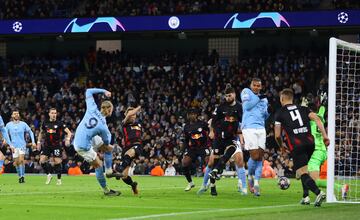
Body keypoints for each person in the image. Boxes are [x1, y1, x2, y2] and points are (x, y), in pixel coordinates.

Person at [274, 88, 330, 207]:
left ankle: (318, 192)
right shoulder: (303, 108)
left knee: (301, 173)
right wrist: (325, 136)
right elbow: (317, 119)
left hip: (297, 145)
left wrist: (281, 147)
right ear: (292, 98)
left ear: (282, 99)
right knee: (304, 170)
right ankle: (305, 197)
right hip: (310, 144)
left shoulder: (279, 113)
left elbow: (277, 135)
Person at [301, 93, 348, 204]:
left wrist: (304, 105)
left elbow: (303, 113)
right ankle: (305, 197)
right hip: (323, 151)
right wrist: (322, 102)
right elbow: (322, 107)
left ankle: (340, 186)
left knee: (312, 181)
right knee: (304, 173)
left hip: (315, 152)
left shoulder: (308, 120)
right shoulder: (320, 116)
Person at [73, 88, 121, 196]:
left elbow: (88, 91)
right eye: (112, 110)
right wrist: (105, 142)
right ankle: (106, 190)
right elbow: (107, 141)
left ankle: (108, 171)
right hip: (82, 145)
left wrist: (104, 91)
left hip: (81, 136)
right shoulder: (103, 127)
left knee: (109, 148)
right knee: (98, 165)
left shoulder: (92, 107)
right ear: (109, 110)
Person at [207, 84, 243, 196]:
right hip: (218, 137)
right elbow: (213, 120)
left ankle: (217, 170)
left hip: (231, 136)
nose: (228, 98)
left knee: (232, 148)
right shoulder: (221, 107)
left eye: (229, 95)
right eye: (226, 96)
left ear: (234, 95)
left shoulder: (239, 107)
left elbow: (243, 121)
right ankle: (213, 186)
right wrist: (212, 131)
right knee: (215, 162)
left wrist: (242, 133)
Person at [240, 78, 269, 196]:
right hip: (249, 127)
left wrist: (268, 113)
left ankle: (256, 182)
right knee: (254, 155)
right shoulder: (246, 92)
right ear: (251, 85)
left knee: (260, 156)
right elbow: (246, 107)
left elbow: (264, 114)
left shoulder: (264, 99)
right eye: (254, 85)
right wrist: (259, 98)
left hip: (261, 127)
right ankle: (250, 177)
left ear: (261, 87)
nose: (256, 87)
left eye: (258, 86)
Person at [37, 108, 72, 185]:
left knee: (57, 161)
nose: (54, 115)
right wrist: (38, 142)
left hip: (56, 145)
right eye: (52, 113)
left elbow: (69, 132)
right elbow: (41, 132)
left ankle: (59, 180)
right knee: (42, 161)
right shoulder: (45, 123)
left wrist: (68, 139)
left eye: (55, 113)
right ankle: (49, 175)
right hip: (47, 145)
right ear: (49, 114)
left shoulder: (60, 123)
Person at [115, 106, 142, 195]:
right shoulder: (124, 123)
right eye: (130, 114)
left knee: (130, 153)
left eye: (134, 114)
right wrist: (139, 107)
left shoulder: (138, 124)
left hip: (136, 145)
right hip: (127, 147)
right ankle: (133, 185)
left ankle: (119, 169)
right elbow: (129, 114)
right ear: (126, 115)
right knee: (124, 176)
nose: (132, 116)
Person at [181, 107, 209, 191]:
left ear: (196, 115)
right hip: (192, 148)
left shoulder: (202, 124)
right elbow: (186, 139)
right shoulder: (186, 127)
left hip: (203, 146)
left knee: (208, 162)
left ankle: (209, 182)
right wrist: (184, 149)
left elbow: (210, 131)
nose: (191, 116)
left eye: (193, 114)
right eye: (190, 114)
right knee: (184, 163)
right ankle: (190, 183)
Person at [6, 110, 36, 183]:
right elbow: (6, 135)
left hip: (22, 145)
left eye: (17, 113)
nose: (16, 115)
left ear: (19, 115)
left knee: (21, 160)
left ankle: (22, 177)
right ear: (12, 116)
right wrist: (6, 142)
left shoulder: (23, 124)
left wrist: (33, 142)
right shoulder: (8, 125)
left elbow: (30, 132)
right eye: (14, 114)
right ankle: (20, 176)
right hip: (13, 146)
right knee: (16, 163)